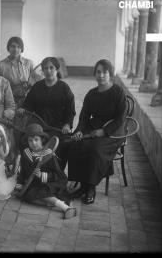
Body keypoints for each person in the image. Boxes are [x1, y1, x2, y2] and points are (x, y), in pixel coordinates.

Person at [67, 59, 127, 205]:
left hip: (114, 132)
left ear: (110, 74)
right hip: (93, 128)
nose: (101, 75)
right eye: (98, 72)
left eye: (105, 72)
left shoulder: (118, 92)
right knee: (76, 145)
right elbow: (84, 116)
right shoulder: (92, 94)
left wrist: (104, 131)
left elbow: (121, 118)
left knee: (95, 148)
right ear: (95, 74)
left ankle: (90, 188)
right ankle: (82, 184)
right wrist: (80, 131)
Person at [19, 57, 76, 170]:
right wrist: (23, 109)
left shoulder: (64, 88)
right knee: (24, 139)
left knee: (62, 144)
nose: (48, 71)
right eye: (46, 68)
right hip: (39, 123)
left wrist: (67, 124)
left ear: (57, 70)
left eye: (51, 68)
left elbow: (70, 110)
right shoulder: (37, 87)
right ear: (43, 70)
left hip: (57, 125)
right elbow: (29, 104)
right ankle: (30, 171)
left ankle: (54, 174)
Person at [18, 123, 76, 219]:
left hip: (51, 182)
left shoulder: (49, 154)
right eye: (30, 141)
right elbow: (23, 171)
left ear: (42, 140)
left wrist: (42, 175)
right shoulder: (26, 153)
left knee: (40, 193)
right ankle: (52, 202)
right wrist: (20, 183)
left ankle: (66, 208)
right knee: (27, 196)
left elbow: (59, 175)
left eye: (36, 140)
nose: (34, 143)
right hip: (34, 183)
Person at [0, 36, 42, 108]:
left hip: (27, 99)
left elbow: (36, 81)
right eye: (13, 46)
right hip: (9, 100)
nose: (15, 49)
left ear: (21, 49)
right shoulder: (1, 65)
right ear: (8, 48)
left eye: (18, 47)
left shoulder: (29, 63)